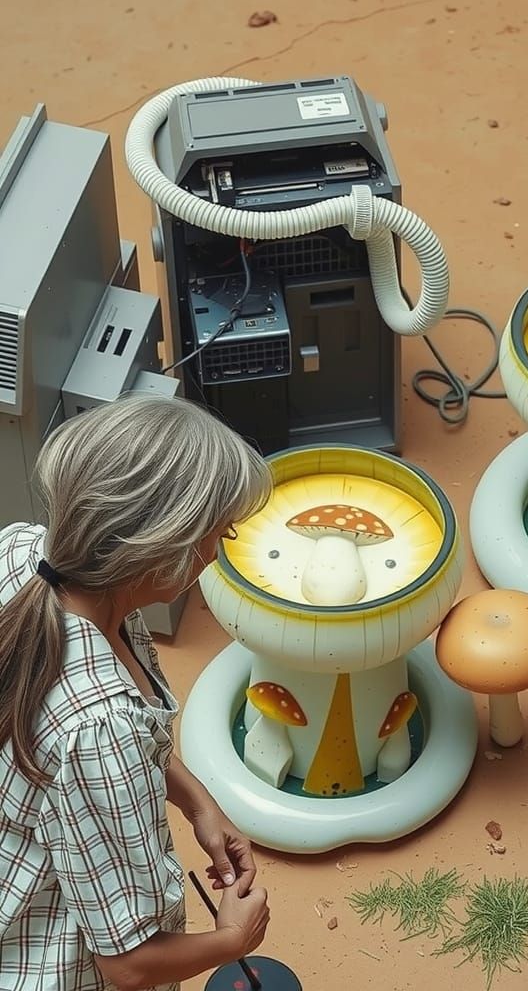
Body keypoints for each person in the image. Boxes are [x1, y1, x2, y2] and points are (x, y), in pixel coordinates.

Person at [0, 394, 274, 990]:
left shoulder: (25, 553)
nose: (215, 554)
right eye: (219, 536)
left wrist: (197, 801)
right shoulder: (100, 729)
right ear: (164, 552)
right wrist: (232, 939)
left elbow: (95, 743)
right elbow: (126, 965)